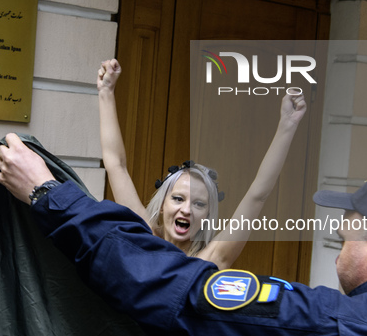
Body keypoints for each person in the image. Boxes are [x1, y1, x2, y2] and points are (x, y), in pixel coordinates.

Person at [0, 141, 367, 335]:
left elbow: (172, 285)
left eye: (348, 232)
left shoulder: (346, 325)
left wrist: (49, 195)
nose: (339, 234)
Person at [95, 59, 306, 268]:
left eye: (199, 204)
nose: (186, 210)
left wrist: (287, 124)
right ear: (161, 206)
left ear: (207, 215)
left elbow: (258, 195)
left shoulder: (211, 260)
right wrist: (106, 91)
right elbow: (116, 164)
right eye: (178, 199)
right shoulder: (143, 235)